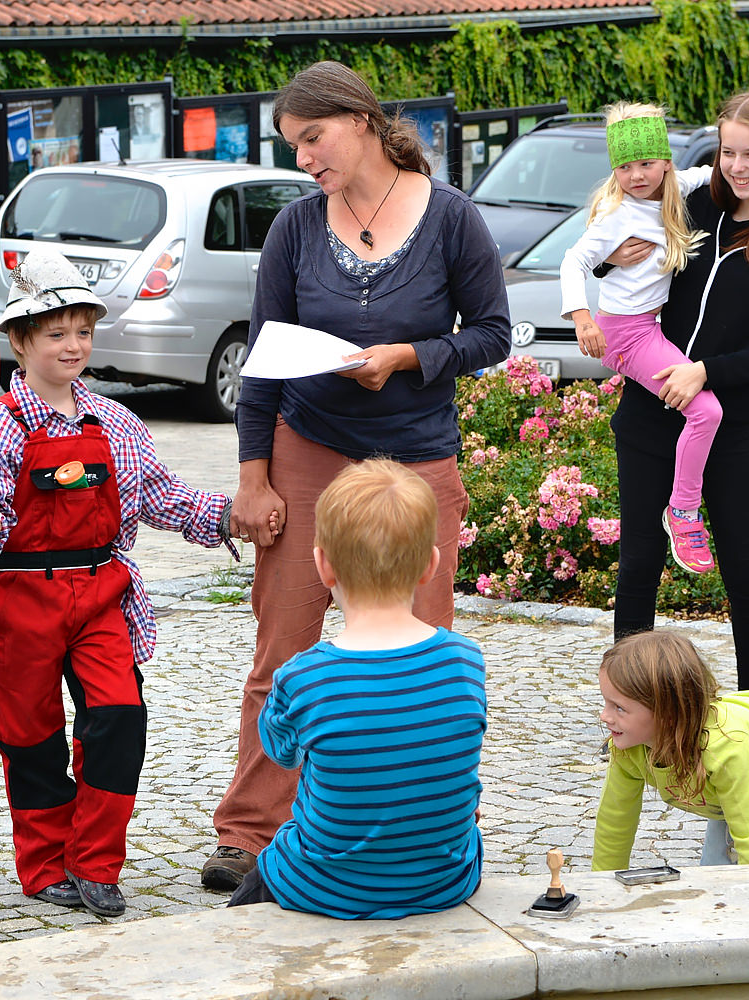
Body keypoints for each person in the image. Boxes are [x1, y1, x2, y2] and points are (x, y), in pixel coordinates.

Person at [202, 60, 511, 891]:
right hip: (310, 449)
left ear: (363, 122)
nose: (303, 159)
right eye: (294, 145)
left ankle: (440, 824)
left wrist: (413, 356)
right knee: (284, 646)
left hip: (417, 456)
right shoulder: (296, 228)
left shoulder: (451, 219)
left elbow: (492, 335)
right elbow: (263, 363)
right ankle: (250, 830)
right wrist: (254, 478)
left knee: (425, 649)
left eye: (313, 138)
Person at [0, 248, 237, 918]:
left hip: (103, 594)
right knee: (31, 737)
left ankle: (96, 863)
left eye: (82, 330)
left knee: (119, 718)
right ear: (19, 340)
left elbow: (161, 499)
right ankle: (45, 866)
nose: (72, 345)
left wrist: (228, 516)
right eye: (55, 333)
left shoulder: (119, 425)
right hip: (21, 602)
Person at [606, 90, 749, 692]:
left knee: (746, 571)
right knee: (640, 564)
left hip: (732, 426)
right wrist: (606, 263)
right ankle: (631, 706)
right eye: (729, 152)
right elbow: (613, 213)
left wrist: (706, 371)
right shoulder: (693, 203)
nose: (738, 167)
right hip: (651, 416)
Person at [225, 459, 486, 918]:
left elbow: (283, 754)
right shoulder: (467, 661)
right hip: (444, 880)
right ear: (430, 564)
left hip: (322, 885)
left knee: (263, 875)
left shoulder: (301, 678)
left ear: (323, 564)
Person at [560, 102, 720, 575]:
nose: (636, 175)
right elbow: (573, 261)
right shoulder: (616, 215)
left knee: (700, 413)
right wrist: (582, 319)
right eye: (624, 167)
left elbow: (725, 175)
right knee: (706, 411)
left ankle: (683, 505)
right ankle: (684, 511)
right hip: (625, 333)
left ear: (666, 162)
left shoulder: (680, 187)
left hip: (647, 326)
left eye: (646, 163)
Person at [591, 630, 749, 868]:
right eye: (606, 703)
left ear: (667, 713)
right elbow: (615, 821)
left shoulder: (724, 749)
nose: (604, 716)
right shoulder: (627, 747)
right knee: (714, 874)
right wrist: (602, 888)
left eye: (619, 708)